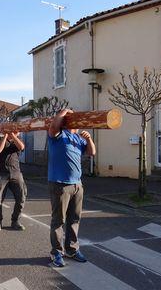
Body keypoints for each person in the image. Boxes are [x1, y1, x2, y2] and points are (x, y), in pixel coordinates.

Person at [47, 109, 96, 268]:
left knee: (74, 219)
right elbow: (54, 125)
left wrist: (89, 140)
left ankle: (72, 250)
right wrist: (65, 111)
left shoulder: (77, 138)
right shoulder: (58, 134)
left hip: (77, 185)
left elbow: (91, 153)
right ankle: (56, 253)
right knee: (58, 221)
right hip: (60, 184)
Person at [0, 132, 26, 232]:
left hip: (16, 172)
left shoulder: (18, 140)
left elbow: (21, 147)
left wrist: (13, 136)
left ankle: (15, 221)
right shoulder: (0, 140)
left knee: (21, 197)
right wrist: (6, 135)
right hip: (1, 173)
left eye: (16, 130)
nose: (15, 131)